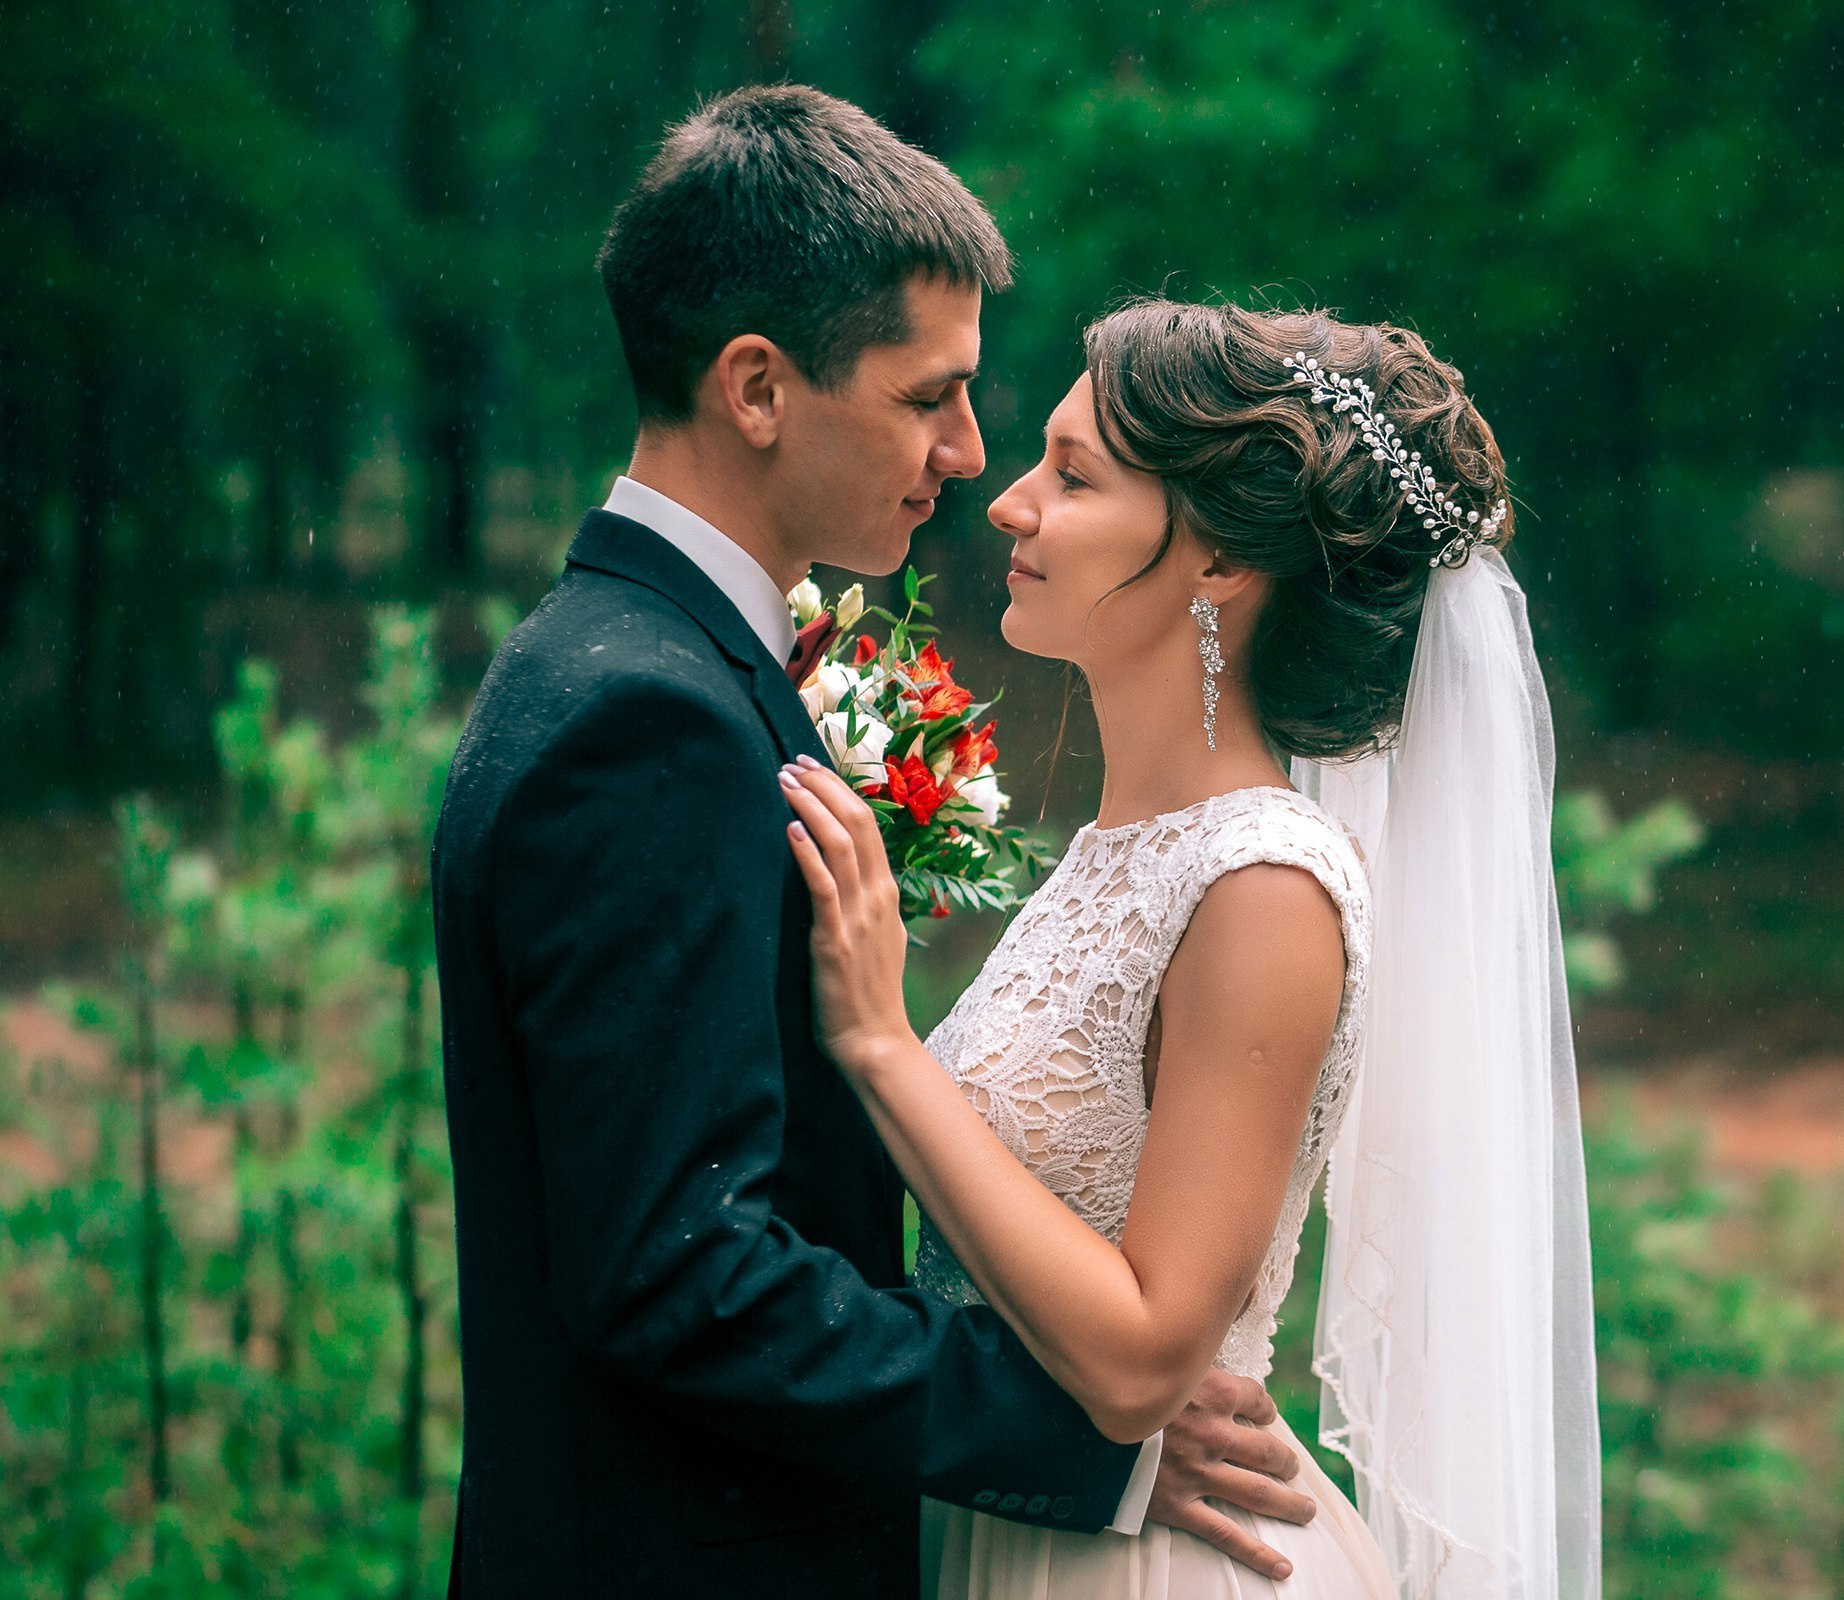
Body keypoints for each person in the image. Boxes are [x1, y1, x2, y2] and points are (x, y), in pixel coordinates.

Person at [432, 90, 1313, 1599]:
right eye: (927, 398)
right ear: (758, 388)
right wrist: (1085, 1441)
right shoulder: (646, 723)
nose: (971, 455)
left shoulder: (625, 663)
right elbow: (682, 1275)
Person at [781, 300, 1603, 1597]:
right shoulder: (1126, 848)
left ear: (1218, 558)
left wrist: (884, 1046)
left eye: (1073, 474)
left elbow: (1144, 1359)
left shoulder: (1264, 886)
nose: (1008, 502)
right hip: (1014, 1526)